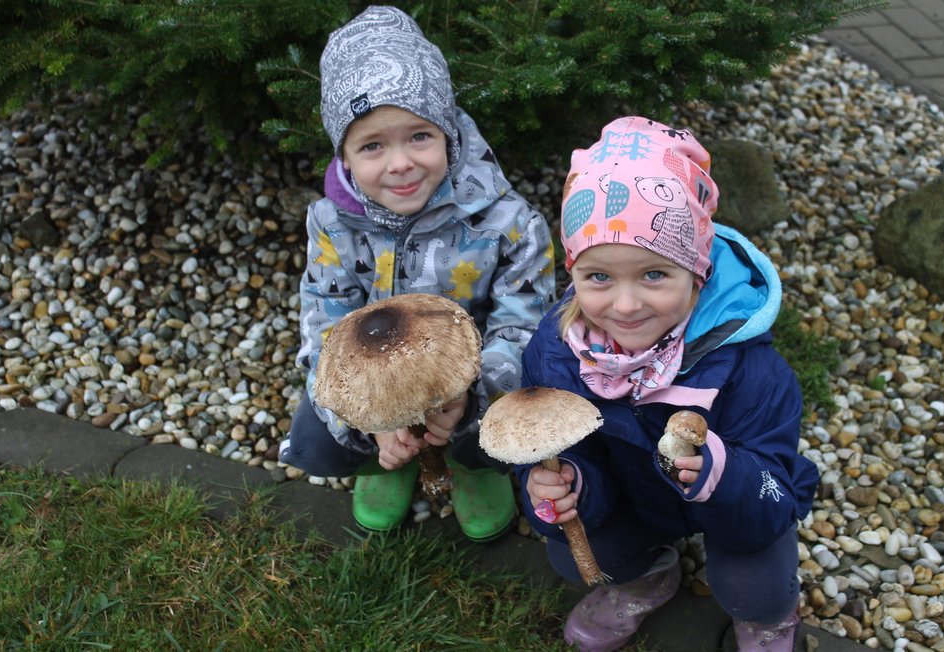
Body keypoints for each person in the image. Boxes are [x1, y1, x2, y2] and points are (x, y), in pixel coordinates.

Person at [512, 116, 819, 651]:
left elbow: (776, 492)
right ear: (573, 273)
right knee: (571, 549)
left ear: (697, 271)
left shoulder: (751, 372)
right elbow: (544, 443)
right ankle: (651, 573)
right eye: (599, 277)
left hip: (733, 509)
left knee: (756, 587)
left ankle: (769, 618)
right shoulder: (556, 353)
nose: (626, 306)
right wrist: (566, 484)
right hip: (632, 499)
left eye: (654, 274)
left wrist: (722, 473)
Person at [277, 5, 556, 543]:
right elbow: (325, 322)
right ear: (345, 155)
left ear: (448, 132)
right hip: (376, 372)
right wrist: (371, 418)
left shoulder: (508, 222)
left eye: (419, 136)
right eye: (373, 145)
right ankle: (391, 459)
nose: (400, 163)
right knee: (318, 436)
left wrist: (474, 397)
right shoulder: (332, 224)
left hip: (472, 375)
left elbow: (524, 323)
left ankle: (474, 465)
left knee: (499, 424)